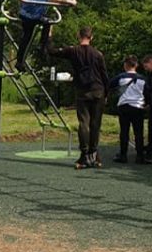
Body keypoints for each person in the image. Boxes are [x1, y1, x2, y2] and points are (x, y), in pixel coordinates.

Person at [46, 26, 109, 169]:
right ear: (91, 37)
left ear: (78, 36)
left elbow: (52, 51)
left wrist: (49, 35)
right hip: (98, 90)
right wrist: (107, 94)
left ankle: (84, 155)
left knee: (83, 123)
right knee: (95, 124)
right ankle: (94, 154)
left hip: (82, 91)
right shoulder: (98, 54)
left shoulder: (73, 51)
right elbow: (105, 75)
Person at [17, 0, 75, 69]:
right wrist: (69, 1)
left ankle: (19, 62)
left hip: (24, 14)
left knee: (26, 38)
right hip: (36, 15)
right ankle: (42, 47)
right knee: (48, 22)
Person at [108, 55, 147, 164]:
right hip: (138, 106)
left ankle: (123, 154)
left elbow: (109, 85)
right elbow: (148, 92)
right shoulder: (142, 79)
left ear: (125, 65)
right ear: (136, 65)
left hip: (124, 105)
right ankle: (140, 156)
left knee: (124, 131)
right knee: (138, 132)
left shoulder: (121, 77)